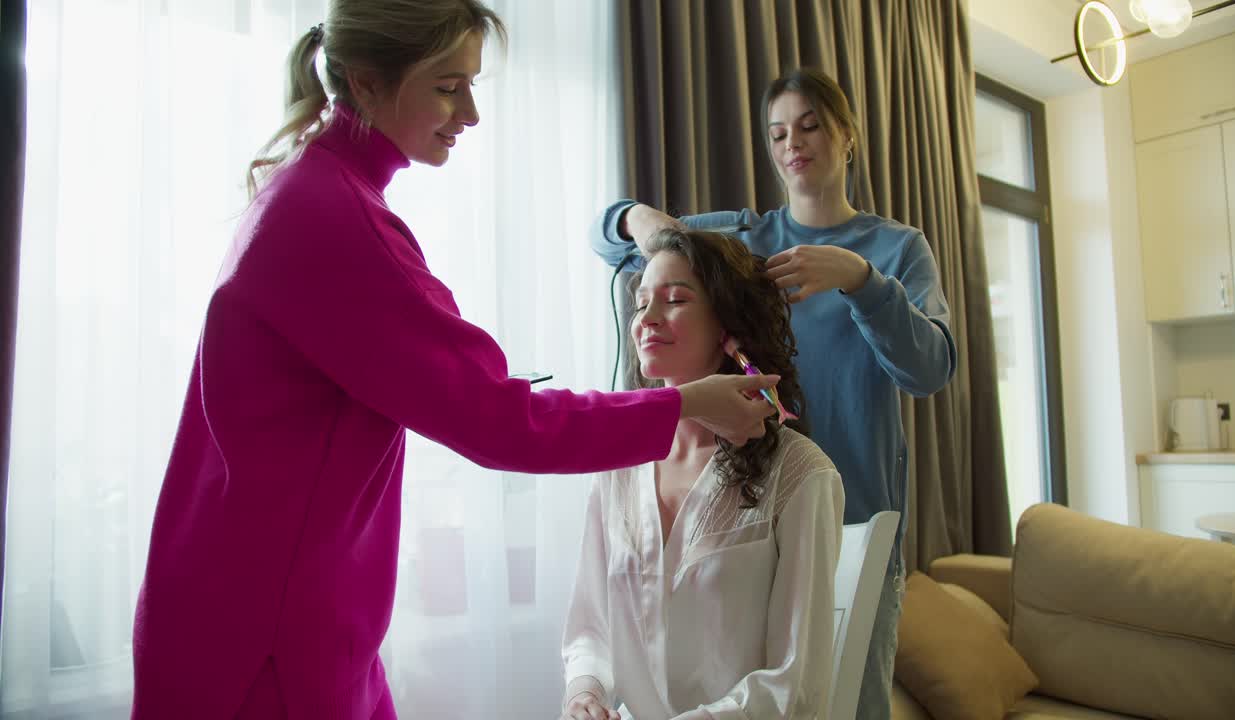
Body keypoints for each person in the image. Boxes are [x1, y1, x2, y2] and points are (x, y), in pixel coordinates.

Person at [130, 3, 780, 718]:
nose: (469, 111)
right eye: (447, 85)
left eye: (471, 85)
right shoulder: (334, 223)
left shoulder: (309, 194)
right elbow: (501, 421)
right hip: (267, 635)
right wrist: (687, 404)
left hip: (257, 606)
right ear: (367, 81)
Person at [590, 68, 957, 719]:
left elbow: (929, 369)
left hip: (855, 515)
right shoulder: (747, 240)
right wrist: (635, 217)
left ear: (847, 136)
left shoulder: (896, 251)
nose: (794, 143)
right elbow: (614, 243)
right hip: (748, 517)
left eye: (811, 125)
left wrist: (862, 281)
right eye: (778, 132)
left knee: (844, 703)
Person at [562, 229, 845, 720]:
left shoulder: (801, 476)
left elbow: (794, 684)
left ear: (728, 328)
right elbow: (592, 627)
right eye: (640, 303)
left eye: (674, 300)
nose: (646, 320)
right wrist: (584, 692)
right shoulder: (618, 469)